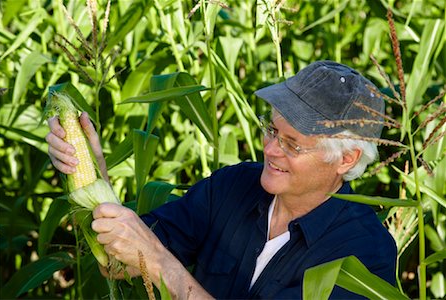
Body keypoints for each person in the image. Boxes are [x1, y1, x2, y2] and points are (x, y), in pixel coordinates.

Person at [46, 60, 397, 299]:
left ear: (346, 159)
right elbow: (119, 263)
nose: (271, 150)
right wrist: (91, 171)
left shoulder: (364, 256)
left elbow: (150, 256)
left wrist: (160, 263)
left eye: (292, 143)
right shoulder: (232, 188)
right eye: (271, 130)